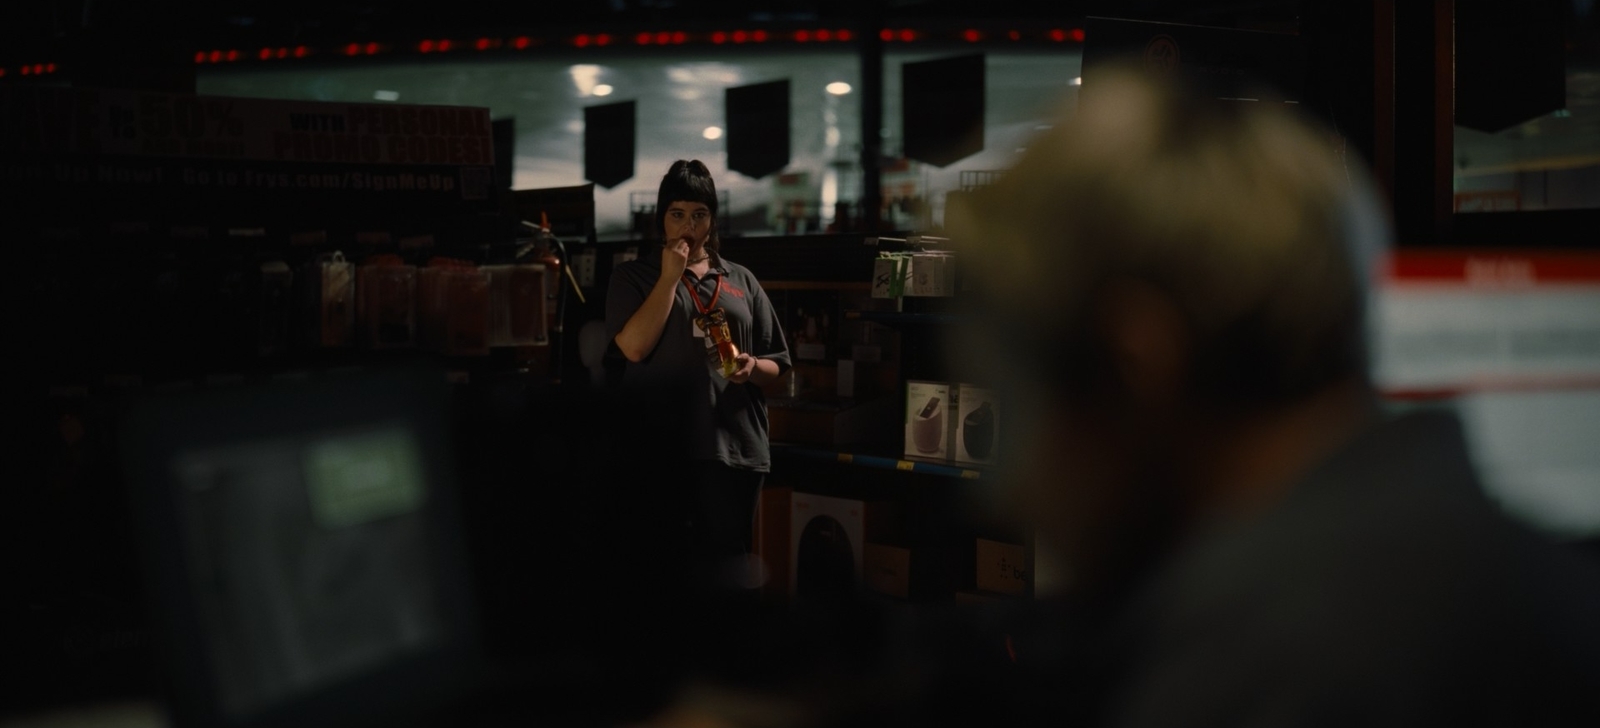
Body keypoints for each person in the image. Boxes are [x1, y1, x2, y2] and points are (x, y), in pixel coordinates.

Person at [631, 63, 1600, 728]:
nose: (1005, 480)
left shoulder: (1273, 664)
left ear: (1136, 356)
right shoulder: (1432, 540)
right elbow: (1095, 643)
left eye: (1015, 385)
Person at [605, 159, 792, 602]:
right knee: (664, 579)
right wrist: (671, 278)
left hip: (736, 449)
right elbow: (633, 348)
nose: (688, 225)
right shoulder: (633, 277)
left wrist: (751, 367)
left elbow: (780, 367)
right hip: (661, 452)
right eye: (677, 214)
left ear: (711, 221)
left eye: (699, 214)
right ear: (661, 220)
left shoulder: (741, 279)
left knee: (727, 578)